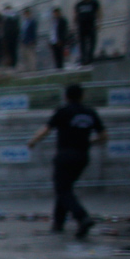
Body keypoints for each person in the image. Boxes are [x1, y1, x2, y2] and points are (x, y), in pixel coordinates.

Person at [28, 82, 107, 239]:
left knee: (62, 189)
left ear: (66, 96)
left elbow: (46, 129)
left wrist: (33, 141)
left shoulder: (63, 111)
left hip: (65, 155)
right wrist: (89, 142)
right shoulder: (90, 112)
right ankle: (58, 223)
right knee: (65, 188)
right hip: (82, 156)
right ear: (82, 96)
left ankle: (82, 217)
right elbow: (103, 136)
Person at [74, 0, 102, 65]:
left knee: (92, 42)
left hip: (91, 25)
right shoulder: (79, 4)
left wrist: (99, 23)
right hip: (82, 26)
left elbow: (99, 12)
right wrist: (74, 26)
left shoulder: (93, 2)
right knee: (82, 44)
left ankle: (90, 58)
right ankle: (83, 59)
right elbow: (75, 15)